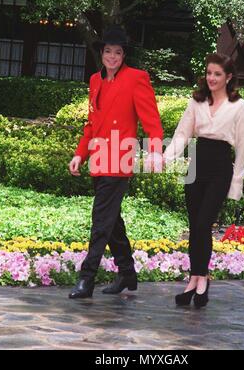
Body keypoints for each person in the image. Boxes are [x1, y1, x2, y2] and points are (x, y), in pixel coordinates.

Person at [68, 26, 163, 299]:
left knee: (100, 220)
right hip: (98, 157)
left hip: (119, 158)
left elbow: (151, 119)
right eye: (108, 51)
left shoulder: (137, 78)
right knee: (111, 220)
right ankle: (127, 273)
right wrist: (80, 154)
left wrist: (155, 150)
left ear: (124, 55)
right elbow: (92, 123)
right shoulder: (95, 81)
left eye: (117, 52)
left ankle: (87, 278)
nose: (112, 56)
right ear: (101, 53)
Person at [164, 53, 244, 308]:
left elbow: (243, 149)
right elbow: (181, 135)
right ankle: (195, 279)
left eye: (218, 74)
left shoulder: (239, 107)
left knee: (204, 223)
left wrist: (236, 186)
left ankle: (201, 280)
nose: (212, 78)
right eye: (209, 73)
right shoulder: (196, 102)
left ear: (229, 77)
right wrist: (165, 158)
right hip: (196, 166)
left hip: (220, 168)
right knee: (195, 226)